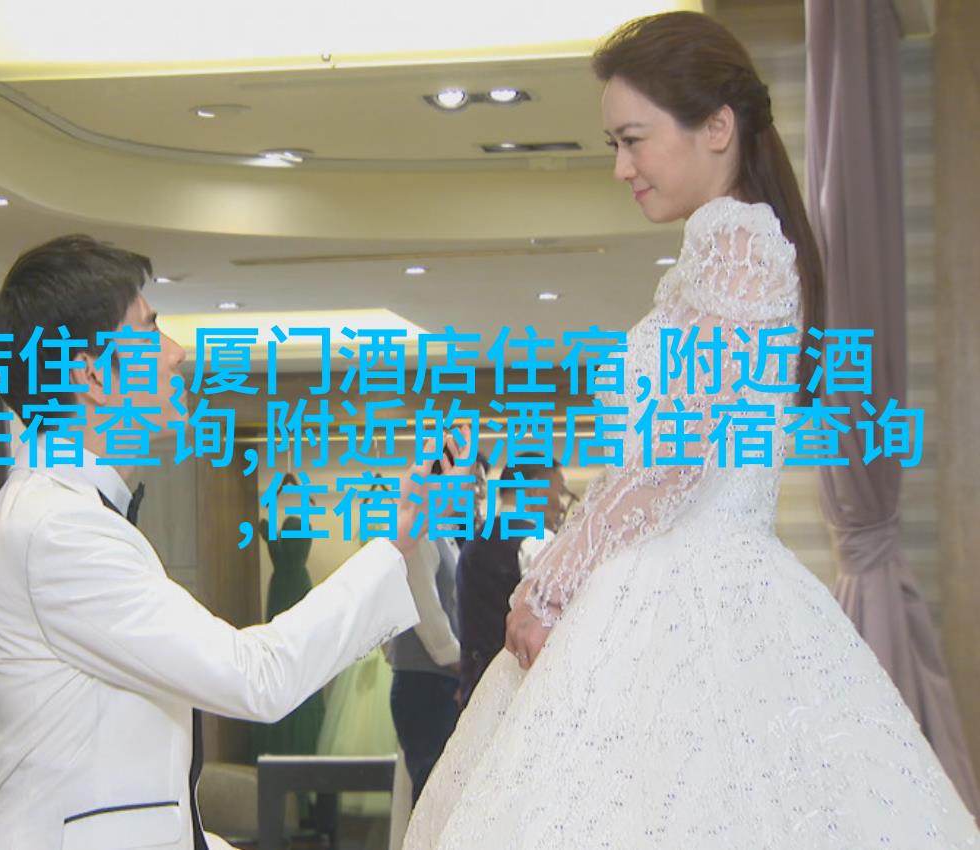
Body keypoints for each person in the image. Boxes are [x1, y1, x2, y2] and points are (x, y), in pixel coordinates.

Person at [404, 12, 980, 849]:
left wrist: (552, 579)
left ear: (716, 126)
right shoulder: (723, 249)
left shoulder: (737, 243)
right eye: (613, 144)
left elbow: (675, 453)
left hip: (687, 588)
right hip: (691, 583)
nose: (620, 167)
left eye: (633, 140)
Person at [0, 235, 471, 850]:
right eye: (149, 330)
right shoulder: (57, 530)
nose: (176, 352)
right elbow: (257, 676)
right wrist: (397, 537)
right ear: (90, 374)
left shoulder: (63, 513)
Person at [387, 452, 488, 805]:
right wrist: (468, 668)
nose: (478, 491)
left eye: (481, 483)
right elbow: (428, 617)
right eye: (472, 481)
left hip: (442, 682)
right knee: (432, 792)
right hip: (425, 686)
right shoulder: (421, 536)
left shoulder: (447, 538)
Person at [454, 457, 563, 708]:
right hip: (520, 694)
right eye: (559, 492)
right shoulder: (539, 541)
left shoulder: (472, 543)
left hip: (476, 690)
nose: (561, 505)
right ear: (535, 490)